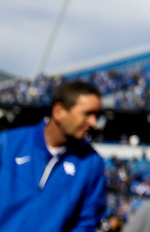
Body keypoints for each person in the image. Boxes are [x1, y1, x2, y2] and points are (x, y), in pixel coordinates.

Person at [0, 80, 107, 232]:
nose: (93, 122)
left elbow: (87, 221)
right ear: (58, 112)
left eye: (96, 115)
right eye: (87, 114)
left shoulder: (91, 163)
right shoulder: (7, 144)